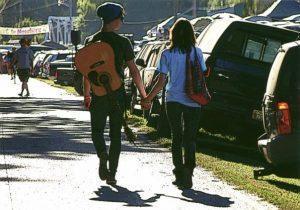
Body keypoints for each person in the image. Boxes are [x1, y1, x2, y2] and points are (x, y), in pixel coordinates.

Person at [83, 2, 148, 185]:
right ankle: (112, 173)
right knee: (115, 135)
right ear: (115, 20)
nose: (121, 22)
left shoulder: (91, 41)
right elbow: (134, 71)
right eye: (121, 18)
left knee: (97, 131)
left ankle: (102, 155)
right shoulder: (123, 42)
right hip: (118, 95)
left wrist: (87, 94)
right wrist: (143, 95)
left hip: (98, 94)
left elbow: (87, 72)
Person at [141, 18, 207, 189]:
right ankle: (189, 172)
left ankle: (179, 173)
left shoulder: (167, 54)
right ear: (192, 34)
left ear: (173, 34)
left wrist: (148, 98)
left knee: (176, 137)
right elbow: (204, 73)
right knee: (190, 138)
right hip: (194, 100)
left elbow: (161, 81)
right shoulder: (197, 52)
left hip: (173, 100)